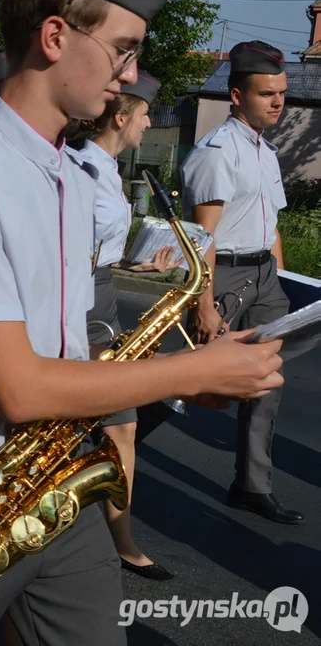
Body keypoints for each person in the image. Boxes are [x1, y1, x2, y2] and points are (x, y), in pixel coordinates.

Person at [0, 0, 284, 645]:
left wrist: (185, 376)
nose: (130, 72)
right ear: (55, 35)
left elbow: (66, 350)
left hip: (60, 478)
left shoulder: (66, 171)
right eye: (123, 46)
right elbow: (19, 388)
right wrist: (186, 369)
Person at [179, 40, 303, 525]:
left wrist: (280, 278)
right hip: (224, 273)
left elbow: (270, 226)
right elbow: (201, 238)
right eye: (266, 93)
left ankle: (251, 487)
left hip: (264, 276)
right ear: (236, 95)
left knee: (266, 381)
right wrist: (204, 303)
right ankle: (117, 447)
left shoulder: (265, 152)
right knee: (189, 382)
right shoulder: (216, 152)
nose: (278, 102)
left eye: (282, 93)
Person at [72, 70, 183, 581]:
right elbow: (71, 254)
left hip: (104, 298)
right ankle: (120, 541)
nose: (147, 126)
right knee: (122, 426)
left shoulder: (109, 172)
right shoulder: (83, 171)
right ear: (121, 117)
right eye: (143, 117)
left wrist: (141, 267)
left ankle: (106, 529)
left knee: (116, 424)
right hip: (86, 308)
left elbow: (98, 253)